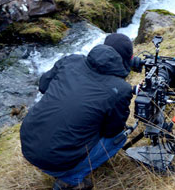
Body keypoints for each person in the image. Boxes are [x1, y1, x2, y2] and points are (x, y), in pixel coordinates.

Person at [20, 33, 135, 190]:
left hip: (28, 142)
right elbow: (111, 131)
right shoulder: (121, 89)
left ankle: (66, 165)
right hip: (55, 160)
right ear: (129, 59)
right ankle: (71, 179)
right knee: (119, 138)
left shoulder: (71, 60)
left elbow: (43, 86)